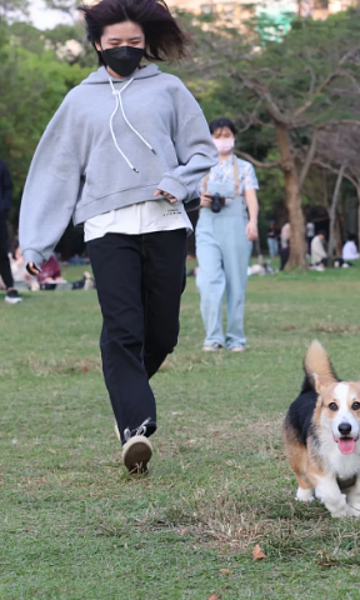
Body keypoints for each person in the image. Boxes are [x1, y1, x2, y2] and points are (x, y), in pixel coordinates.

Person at [19, 0, 217, 474]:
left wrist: (178, 180)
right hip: (107, 228)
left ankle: (126, 403)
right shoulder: (78, 101)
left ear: (144, 43)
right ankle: (136, 427)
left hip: (165, 221)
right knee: (123, 330)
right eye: (115, 44)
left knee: (163, 334)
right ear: (97, 46)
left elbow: (201, 152)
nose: (125, 51)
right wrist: (36, 243)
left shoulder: (169, 89)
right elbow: (55, 173)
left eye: (134, 43)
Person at [196, 117, 259, 353]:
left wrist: (253, 222)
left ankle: (235, 338)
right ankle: (213, 337)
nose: (223, 141)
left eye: (227, 136)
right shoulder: (199, 165)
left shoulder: (244, 167)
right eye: (217, 136)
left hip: (236, 225)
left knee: (236, 284)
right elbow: (187, 195)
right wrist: (198, 200)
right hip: (207, 225)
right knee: (208, 281)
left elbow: (251, 196)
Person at [0, 158, 23, 304]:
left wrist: (4, 207)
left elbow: (8, 187)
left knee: (1, 252)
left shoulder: (1, 163)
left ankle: (10, 288)